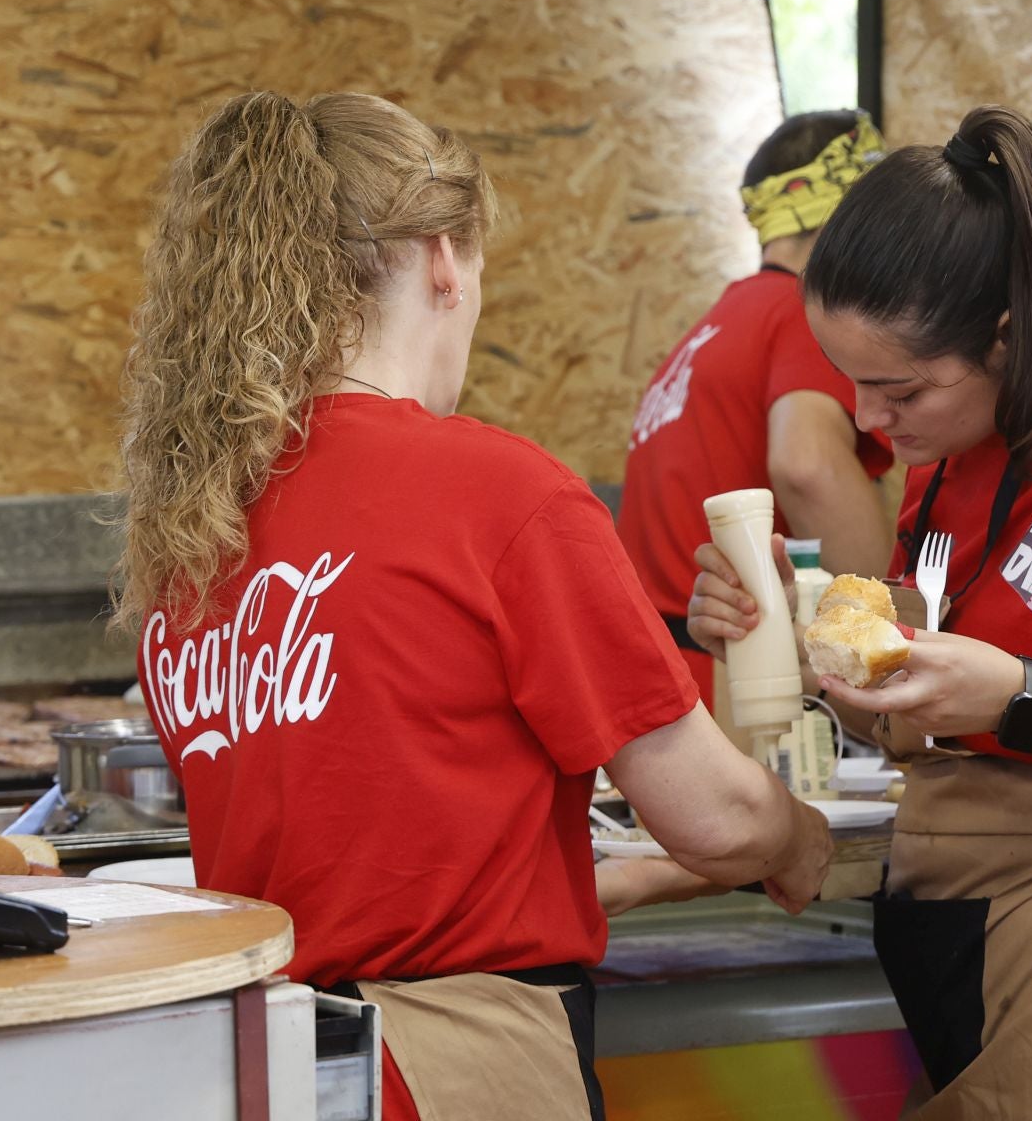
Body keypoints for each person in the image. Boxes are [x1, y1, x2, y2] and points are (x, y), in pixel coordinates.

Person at [114, 90, 832, 1121]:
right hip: (451, 1060)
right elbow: (715, 815)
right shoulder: (500, 493)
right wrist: (801, 838)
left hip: (262, 1059)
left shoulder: (192, 528)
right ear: (444, 260)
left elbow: (373, 824)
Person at [689, 105, 1032, 1118]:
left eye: (900, 388)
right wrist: (782, 632)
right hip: (947, 907)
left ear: (1005, 337)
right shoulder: (949, 465)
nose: (871, 423)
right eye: (853, 386)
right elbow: (908, 697)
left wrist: (1013, 694)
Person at [618, 112, 897, 706]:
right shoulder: (802, 313)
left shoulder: (715, 328)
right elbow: (807, 465)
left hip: (664, 676)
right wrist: (893, 640)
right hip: (732, 681)